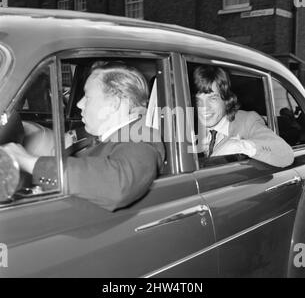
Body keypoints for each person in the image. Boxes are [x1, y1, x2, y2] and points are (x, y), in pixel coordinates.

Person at [3, 63, 165, 211]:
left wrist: (29, 162)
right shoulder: (102, 136)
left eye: (87, 97)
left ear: (113, 104)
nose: (79, 104)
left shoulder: (141, 138)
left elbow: (117, 185)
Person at [194, 65, 294, 168]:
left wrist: (238, 146)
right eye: (198, 100)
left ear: (226, 100)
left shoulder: (246, 121)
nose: (204, 107)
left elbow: (285, 154)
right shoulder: (187, 127)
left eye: (212, 98)